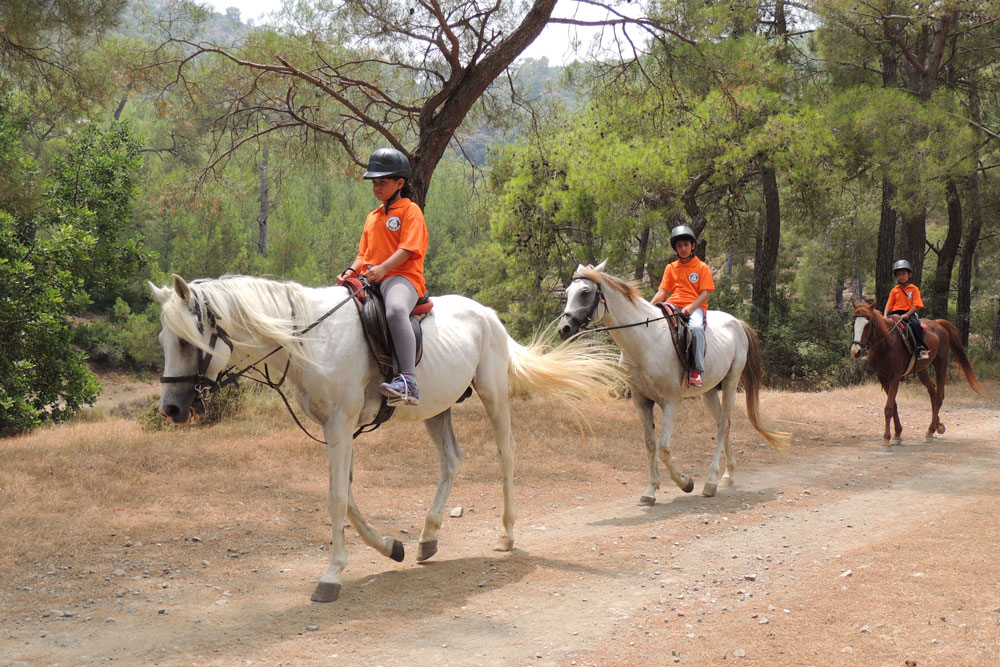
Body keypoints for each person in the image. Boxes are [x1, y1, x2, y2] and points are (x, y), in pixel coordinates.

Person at [337, 148, 428, 405]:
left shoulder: (410, 211)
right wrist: (350, 272)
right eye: (374, 182)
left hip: (402, 278)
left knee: (396, 310)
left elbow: (409, 250)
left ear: (400, 183)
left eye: (383, 182)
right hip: (373, 277)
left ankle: (408, 380)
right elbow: (363, 255)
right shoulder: (373, 217)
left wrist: (384, 269)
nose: (377, 187)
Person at [651, 225, 715, 387]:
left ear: (693, 246)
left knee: (696, 329)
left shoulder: (701, 267)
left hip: (694, 307)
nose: (683, 248)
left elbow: (704, 294)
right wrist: (647, 308)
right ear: (676, 249)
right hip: (672, 304)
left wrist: (692, 307)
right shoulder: (671, 268)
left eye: (686, 244)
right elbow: (662, 292)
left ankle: (696, 371)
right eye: (679, 246)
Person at [883, 259, 929, 360]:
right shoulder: (894, 290)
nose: (901, 276)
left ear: (910, 275)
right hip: (895, 314)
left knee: (916, 325)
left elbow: (916, 305)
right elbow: (889, 304)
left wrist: (907, 314)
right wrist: (885, 316)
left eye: (903, 274)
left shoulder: (914, 289)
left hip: (909, 313)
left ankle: (921, 348)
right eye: (898, 274)